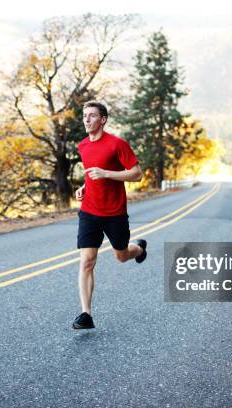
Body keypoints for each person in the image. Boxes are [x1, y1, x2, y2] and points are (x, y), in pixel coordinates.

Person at [72, 101, 147, 330]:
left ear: (102, 119)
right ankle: (86, 314)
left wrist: (106, 173)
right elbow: (90, 173)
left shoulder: (117, 144)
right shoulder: (83, 146)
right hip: (89, 211)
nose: (86, 120)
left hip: (114, 212)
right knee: (87, 262)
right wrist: (84, 187)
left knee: (121, 256)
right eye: (84, 116)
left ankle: (140, 248)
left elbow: (137, 174)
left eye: (92, 116)